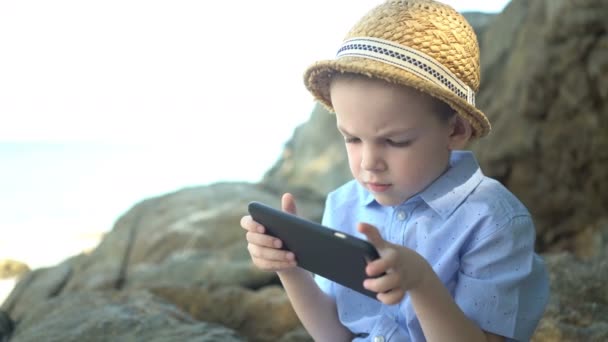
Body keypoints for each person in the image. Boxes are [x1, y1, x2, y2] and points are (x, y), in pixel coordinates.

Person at [241, 0, 549, 341]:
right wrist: (290, 266)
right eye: (353, 138)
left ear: (456, 131)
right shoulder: (344, 205)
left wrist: (420, 282)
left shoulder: (493, 222)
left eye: (396, 141)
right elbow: (335, 334)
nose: (369, 162)